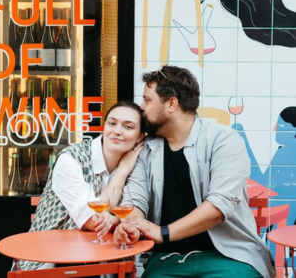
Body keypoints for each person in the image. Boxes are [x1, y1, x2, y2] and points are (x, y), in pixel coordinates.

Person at [113, 65, 276, 278]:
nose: (141, 107)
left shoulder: (223, 140)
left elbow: (219, 205)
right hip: (168, 259)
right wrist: (132, 224)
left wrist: (163, 232)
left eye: (147, 100)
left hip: (229, 257)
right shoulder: (145, 148)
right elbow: (136, 199)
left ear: (171, 103)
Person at [17, 101, 146, 271]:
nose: (117, 131)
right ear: (104, 127)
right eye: (112, 123)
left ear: (140, 137)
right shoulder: (70, 160)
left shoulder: (136, 164)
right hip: (51, 262)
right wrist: (121, 172)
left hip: (104, 263)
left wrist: (114, 219)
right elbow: (94, 220)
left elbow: (134, 216)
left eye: (128, 127)